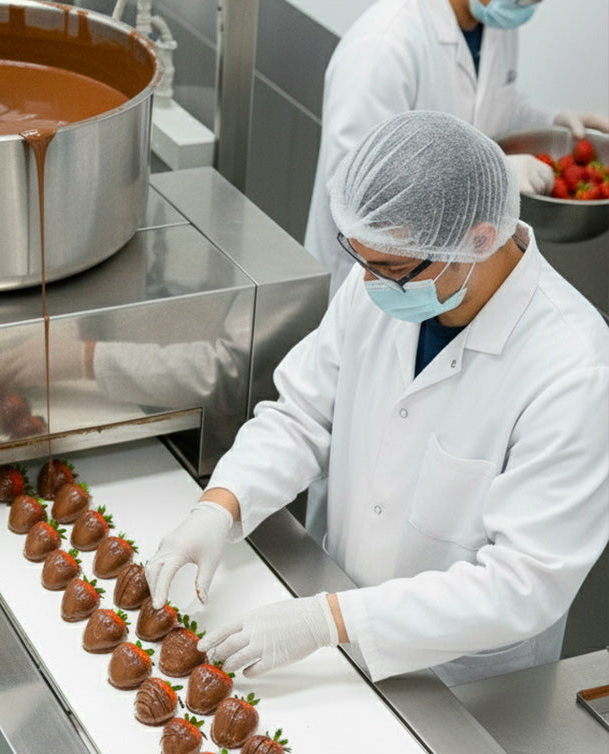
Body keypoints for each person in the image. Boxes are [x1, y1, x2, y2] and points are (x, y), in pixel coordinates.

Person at [145, 111, 609, 688]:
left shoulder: (573, 370)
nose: (366, 283)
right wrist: (220, 506)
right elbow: (303, 416)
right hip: (335, 624)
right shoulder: (393, 279)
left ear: (479, 239)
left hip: (459, 680)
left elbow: (525, 583)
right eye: (361, 259)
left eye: (386, 267)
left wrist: (330, 618)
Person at [305, 0, 609, 298]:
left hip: (446, 275)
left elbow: (493, 108)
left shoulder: (493, 30)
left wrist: (552, 122)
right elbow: (360, 194)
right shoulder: (384, 43)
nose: (526, 4)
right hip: (375, 277)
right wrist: (491, 180)